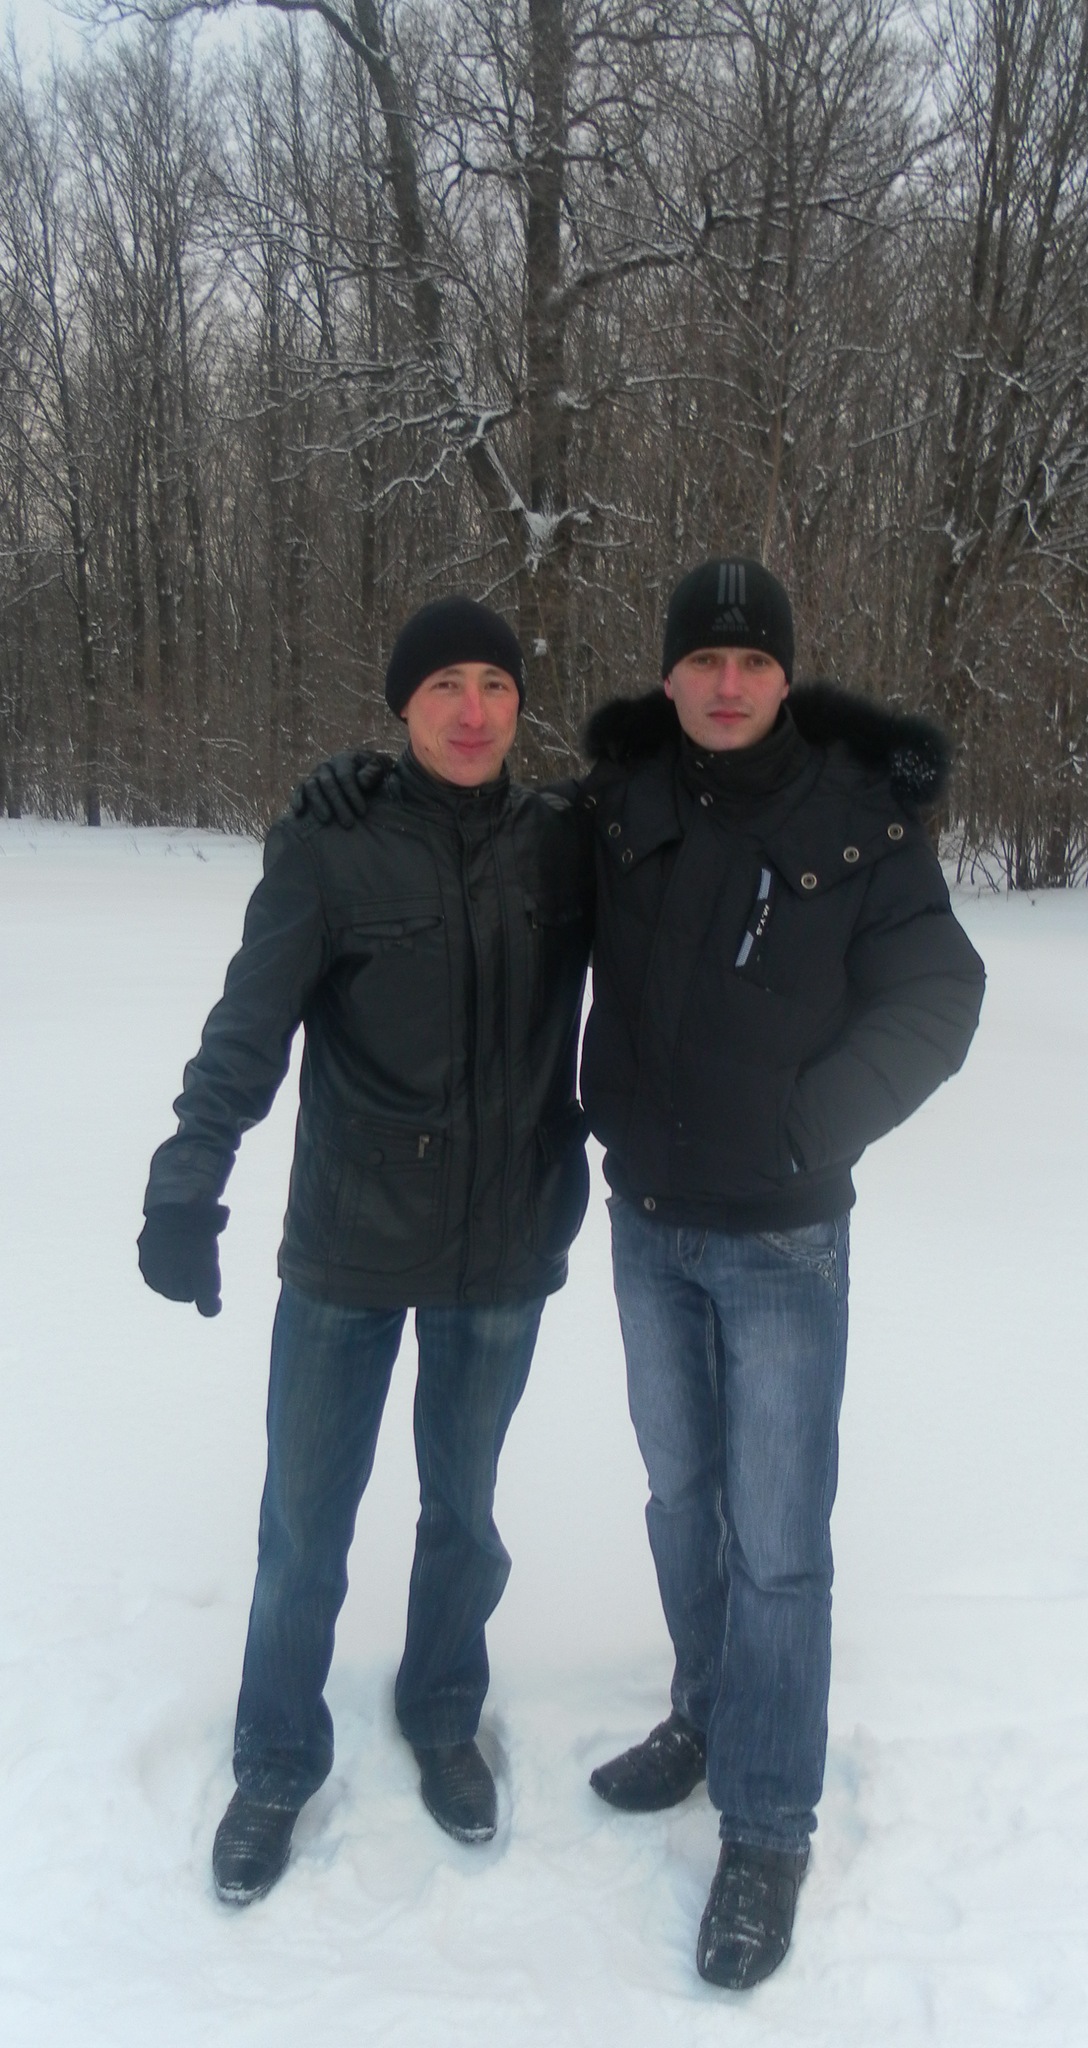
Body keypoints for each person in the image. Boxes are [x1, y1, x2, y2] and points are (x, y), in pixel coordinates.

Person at [294, 558, 985, 1990]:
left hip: (784, 1237)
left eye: (753, 662)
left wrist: (810, 1124)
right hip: (650, 1226)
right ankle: (708, 1712)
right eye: (703, 662)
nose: (727, 685)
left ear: (784, 675)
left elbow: (941, 993)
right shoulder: (622, 806)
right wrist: (355, 789)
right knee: (679, 1498)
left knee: (777, 1540)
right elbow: (482, 829)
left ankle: (770, 1826)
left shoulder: (858, 819)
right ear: (669, 677)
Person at [138, 598, 593, 1906]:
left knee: (465, 1515)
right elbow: (247, 1029)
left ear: (519, 703)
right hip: (348, 1246)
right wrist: (187, 1181)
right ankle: (277, 1759)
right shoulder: (331, 843)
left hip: (503, 1242)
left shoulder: (566, 846)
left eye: (494, 683)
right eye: (444, 684)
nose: (472, 709)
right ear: (403, 705)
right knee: (304, 1527)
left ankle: (442, 1711)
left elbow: (701, 818)